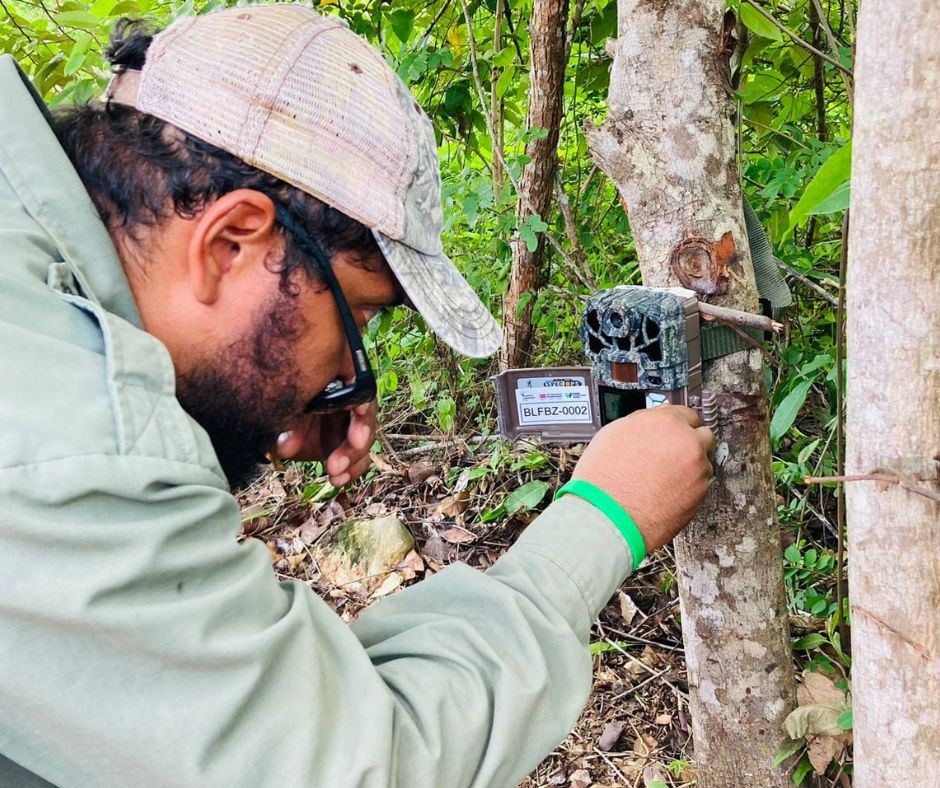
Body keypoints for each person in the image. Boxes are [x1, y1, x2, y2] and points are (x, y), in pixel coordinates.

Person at [0, 6, 715, 787]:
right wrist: (601, 521)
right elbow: (358, 765)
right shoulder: (75, 446)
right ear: (231, 241)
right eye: (359, 315)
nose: (346, 366)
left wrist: (237, 408)